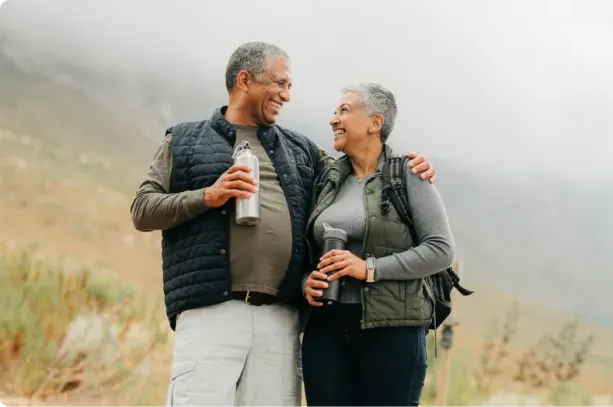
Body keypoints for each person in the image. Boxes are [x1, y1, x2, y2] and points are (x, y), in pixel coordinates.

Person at [129, 42, 436, 407]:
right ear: (245, 80)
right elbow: (143, 209)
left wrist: (407, 165)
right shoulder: (183, 141)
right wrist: (207, 196)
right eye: (279, 83)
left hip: (281, 317)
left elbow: (361, 171)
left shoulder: (302, 150)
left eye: (289, 86)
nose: (286, 96)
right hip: (211, 311)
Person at [301, 83, 455, 407]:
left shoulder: (408, 174)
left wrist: (369, 269)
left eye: (344, 110)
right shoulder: (327, 180)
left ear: (375, 122)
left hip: (392, 332)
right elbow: (306, 251)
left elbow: (441, 250)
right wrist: (307, 282)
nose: (333, 119)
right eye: (334, 111)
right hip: (325, 330)